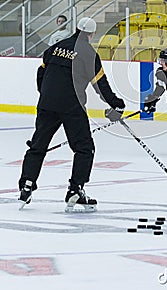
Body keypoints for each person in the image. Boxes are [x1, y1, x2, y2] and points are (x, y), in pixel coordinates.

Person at [18, 17, 125, 212]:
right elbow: (101, 86)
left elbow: (40, 73)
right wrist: (117, 105)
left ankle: (26, 185)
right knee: (84, 148)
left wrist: (46, 95)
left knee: (38, 146)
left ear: (76, 29)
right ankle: (76, 189)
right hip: (72, 106)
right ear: (91, 34)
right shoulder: (89, 53)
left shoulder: (56, 47)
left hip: (47, 105)